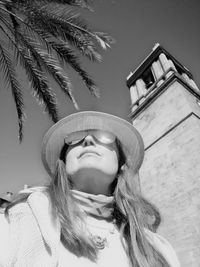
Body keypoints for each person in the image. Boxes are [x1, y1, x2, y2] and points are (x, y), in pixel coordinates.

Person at [0, 111, 180, 267]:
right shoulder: (18, 219)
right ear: (63, 162)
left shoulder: (157, 247)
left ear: (121, 163)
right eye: (73, 139)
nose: (87, 140)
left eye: (104, 136)